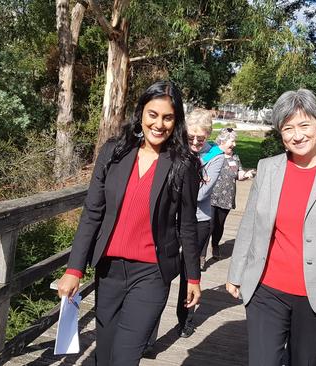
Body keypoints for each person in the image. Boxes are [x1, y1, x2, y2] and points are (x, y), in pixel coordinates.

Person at [56, 81, 202, 366]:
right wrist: (74, 269)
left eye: (168, 117)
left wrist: (193, 278)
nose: (159, 124)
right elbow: (92, 213)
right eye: (153, 114)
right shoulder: (114, 153)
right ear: (141, 114)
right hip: (109, 270)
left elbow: (187, 226)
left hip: (152, 273)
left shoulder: (182, 164)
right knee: (106, 353)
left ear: (177, 120)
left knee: (125, 356)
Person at [226, 89, 316, 366]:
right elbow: (251, 224)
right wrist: (236, 272)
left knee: (304, 361)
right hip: (265, 290)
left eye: (304, 125)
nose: (297, 135)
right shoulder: (268, 168)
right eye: (288, 128)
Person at [176, 108, 224, 338]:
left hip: (199, 220)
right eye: (190, 137)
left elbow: (202, 193)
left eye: (201, 138)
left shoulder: (216, 156)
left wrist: (175, 193)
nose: (195, 142)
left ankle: (185, 319)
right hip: (173, 220)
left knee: (190, 271)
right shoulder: (177, 150)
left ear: (208, 135)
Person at [210, 128, 255, 259]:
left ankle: (215, 245)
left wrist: (247, 174)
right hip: (211, 196)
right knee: (209, 224)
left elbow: (239, 174)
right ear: (223, 141)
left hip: (226, 197)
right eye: (232, 141)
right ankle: (201, 254)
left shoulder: (235, 157)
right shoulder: (213, 154)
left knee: (219, 225)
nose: (234, 144)